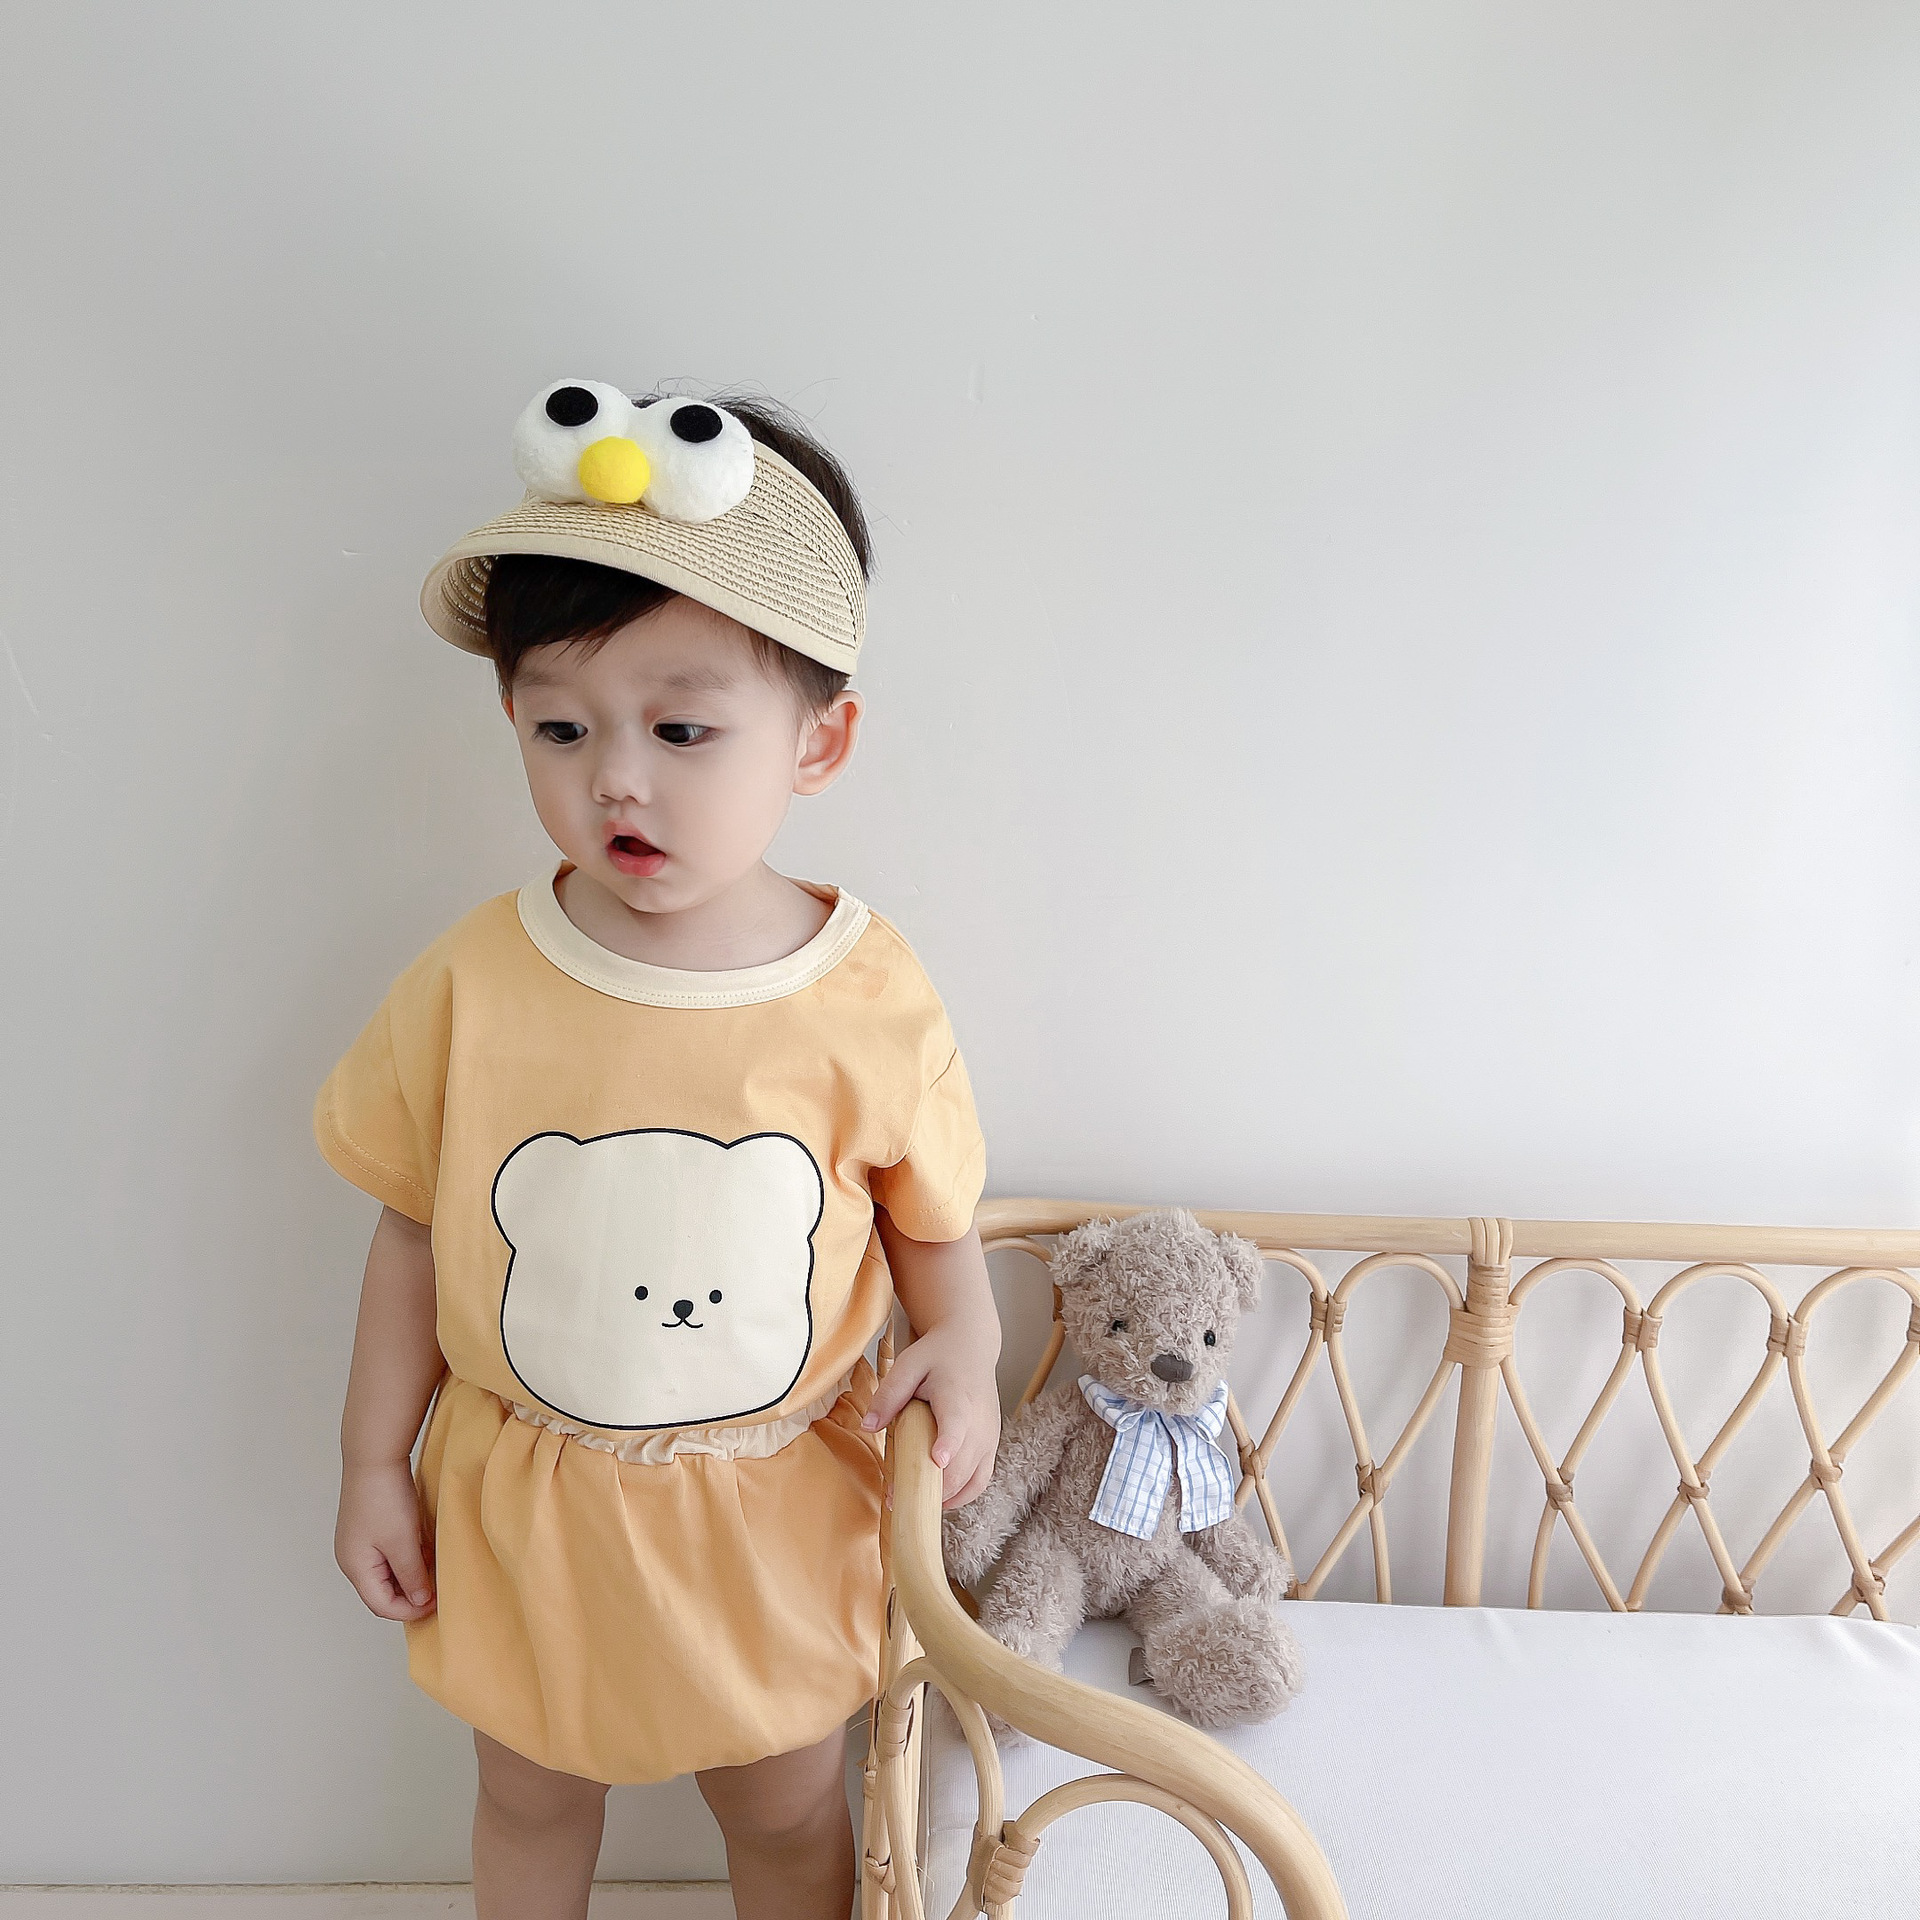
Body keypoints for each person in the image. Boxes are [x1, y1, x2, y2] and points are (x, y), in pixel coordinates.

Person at [316, 380, 1002, 1920]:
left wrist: (964, 1348)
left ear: (819, 741)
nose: (616, 776)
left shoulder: (861, 992)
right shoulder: (476, 980)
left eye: (683, 729)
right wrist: (371, 1462)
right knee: (526, 1797)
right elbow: (413, 1231)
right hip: (529, 1510)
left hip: (767, 1515)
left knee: (784, 1807)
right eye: (561, 727)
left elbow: (933, 1225)